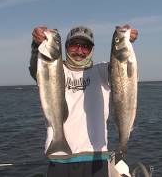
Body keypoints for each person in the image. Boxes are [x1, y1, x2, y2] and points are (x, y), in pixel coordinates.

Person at [29, 25, 138, 177]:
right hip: (59, 155)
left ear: (92, 49)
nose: (79, 51)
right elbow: (37, 67)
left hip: (96, 156)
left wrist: (126, 41)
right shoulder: (54, 68)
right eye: (74, 45)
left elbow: (121, 67)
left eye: (85, 47)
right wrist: (37, 45)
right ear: (66, 47)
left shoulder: (102, 71)